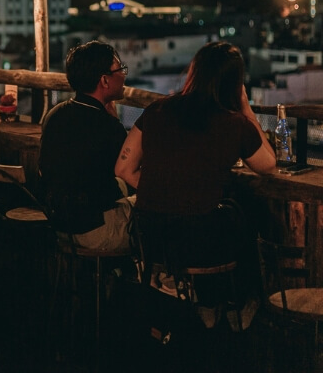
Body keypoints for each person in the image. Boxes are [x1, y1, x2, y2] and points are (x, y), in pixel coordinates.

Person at [115, 41, 275, 321]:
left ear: (194, 73)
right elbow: (268, 164)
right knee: (247, 212)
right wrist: (247, 110)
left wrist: (165, 192)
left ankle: (205, 303)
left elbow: (124, 168)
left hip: (150, 236)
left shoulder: (158, 109)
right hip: (198, 241)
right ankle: (239, 303)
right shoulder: (234, 123)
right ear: (235, 83)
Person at [39, 40, 133, 252]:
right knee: (150, 216)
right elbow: (128, 170)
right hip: (95, 233)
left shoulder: (54, 115)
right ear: (104, 81)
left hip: (59, 226)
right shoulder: (108, 126)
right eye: (120, 69)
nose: (124, 75)